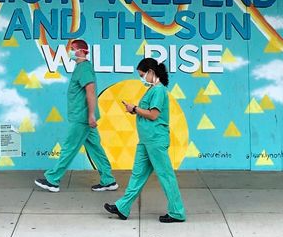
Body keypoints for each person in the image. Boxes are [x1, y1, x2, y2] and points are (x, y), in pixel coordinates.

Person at [103, 57, 185, 223]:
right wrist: (135, 110)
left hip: (155, 140)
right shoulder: (152, 89)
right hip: (146, 140)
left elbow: (154, 115)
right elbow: (147, 111)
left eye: (142, 74)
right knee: (137, 174)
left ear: (151, 72)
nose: (141, 78)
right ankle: (122, 207)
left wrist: (134, 108)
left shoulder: (159, 91)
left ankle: (177, 212)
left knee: (165, 175)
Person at [35, 38, 117, 192]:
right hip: (84, 117)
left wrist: (91, 115)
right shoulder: (82, 68)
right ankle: (108, 180)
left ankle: (53, 180)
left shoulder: (84, 68)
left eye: (72, 49)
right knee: (95, 148)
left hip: (82, 118)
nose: (69, 52)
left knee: (69, 148)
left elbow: (90, 91)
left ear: (80, 51)